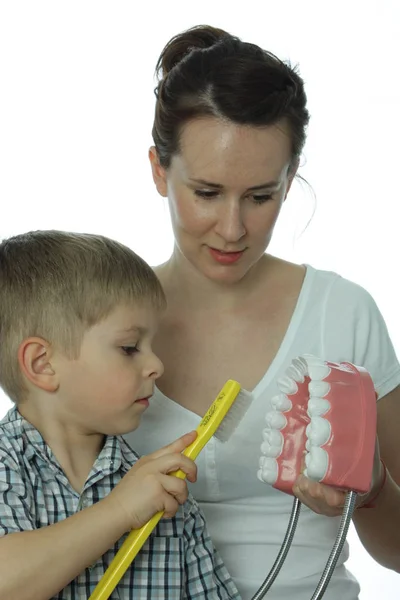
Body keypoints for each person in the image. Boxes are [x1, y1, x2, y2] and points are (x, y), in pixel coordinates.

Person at [126, 24, 400, 600]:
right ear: (158, 170)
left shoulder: (343, 314)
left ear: (290, 177)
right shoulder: (96, 322)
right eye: (206, 192)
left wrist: (370, 488)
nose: (233, 229)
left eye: (261, 196)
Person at [0, 230, 241, 600]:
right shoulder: (6, 464)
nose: (157, 365)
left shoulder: (163, 490)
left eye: (152, 346)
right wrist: (120, 511)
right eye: (129, 348)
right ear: (42, 364)